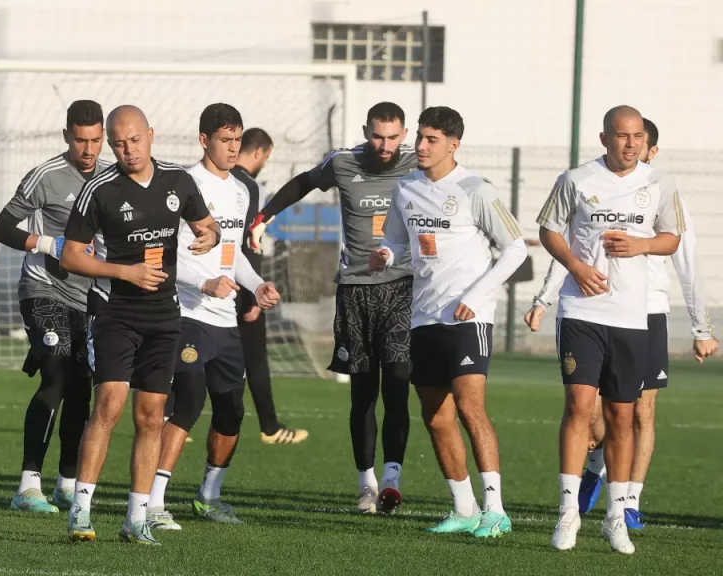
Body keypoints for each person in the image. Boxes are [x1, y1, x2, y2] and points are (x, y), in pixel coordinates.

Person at [524, 117, 717, 530]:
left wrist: (701, 327)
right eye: (623, 137)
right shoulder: (580, 182)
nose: (631, 146)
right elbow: (569, 243)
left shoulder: (663, 190)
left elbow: (684, 259)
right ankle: (594, 464)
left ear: (651, 147)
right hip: (591, 311)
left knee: (639, 411)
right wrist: (544, 298)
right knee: (588, 410)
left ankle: (628, 500)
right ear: (607, 139)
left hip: (647, 313)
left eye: (639, 140)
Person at [61, 105, 221, 545]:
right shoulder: (100, 188)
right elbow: (71, 256)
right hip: (115, 314)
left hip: (164, 317)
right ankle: (80, 509)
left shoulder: (178, 181)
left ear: (150, 134)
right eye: (118, 143)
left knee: (152, 416)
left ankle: (136, 518)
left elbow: (207, 227)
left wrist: (210, 236)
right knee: (109, 405)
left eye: (134, 140)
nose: (127, 150)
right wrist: (124, 272)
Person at [249, 102, 417, 513]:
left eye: (393, 136)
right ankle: (366, 485)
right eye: (377, 135)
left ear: (405, 134)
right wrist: (263, 217)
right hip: (355, 292)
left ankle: (392, 480)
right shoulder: (343, 163)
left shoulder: (418, 162)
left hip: (403, 289)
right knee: (362, 394)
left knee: (397, 387)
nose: (384, 144)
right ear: (366, 131)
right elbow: (303, 183)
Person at [370, 106, 526, 537]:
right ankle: (464, 508)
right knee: (436, 415)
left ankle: (496, 510)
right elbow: (396, 240)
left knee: (470, 407)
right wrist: (384, 253)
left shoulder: (477, 189)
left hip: (468, 317)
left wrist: (475, 297)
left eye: (430, 139)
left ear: (453, 144)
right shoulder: (405, 189)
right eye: (419, 137)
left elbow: (516, 249)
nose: (420, 146)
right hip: (424, 316)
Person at [146, 104, 280, 531]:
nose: (232, 149)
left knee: (231, 413)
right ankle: (153, 502)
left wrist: (257, 284)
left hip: (226, 322)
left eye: (237, 141)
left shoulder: (242, 190)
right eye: (225, 141)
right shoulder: (183, 185)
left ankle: (208, 496)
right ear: (204, 140)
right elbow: (165, 256)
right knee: (187, 402)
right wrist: (202, 285)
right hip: (186, 314)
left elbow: (232, 252)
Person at [0, 100, 110, 514]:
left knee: (81, 391)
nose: (88, 149)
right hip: (43, 289)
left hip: (88, 298)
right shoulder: (47, 176)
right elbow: (0, 226)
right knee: (56, 374)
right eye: (80, 140)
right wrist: (47, 244)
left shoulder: (112, 179)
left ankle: (67, 483)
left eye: (95, 140)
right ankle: (27, 486)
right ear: (67, 137)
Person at [230, 128, 308, 446]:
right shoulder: (250, 188)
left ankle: (170, 414)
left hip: (211, 281)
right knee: (255, 357)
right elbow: (251, 242)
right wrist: (253, 294)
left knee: (200, 351)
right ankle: (270, 427)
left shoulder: (219, 181)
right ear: (260, 152)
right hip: (241, 285)